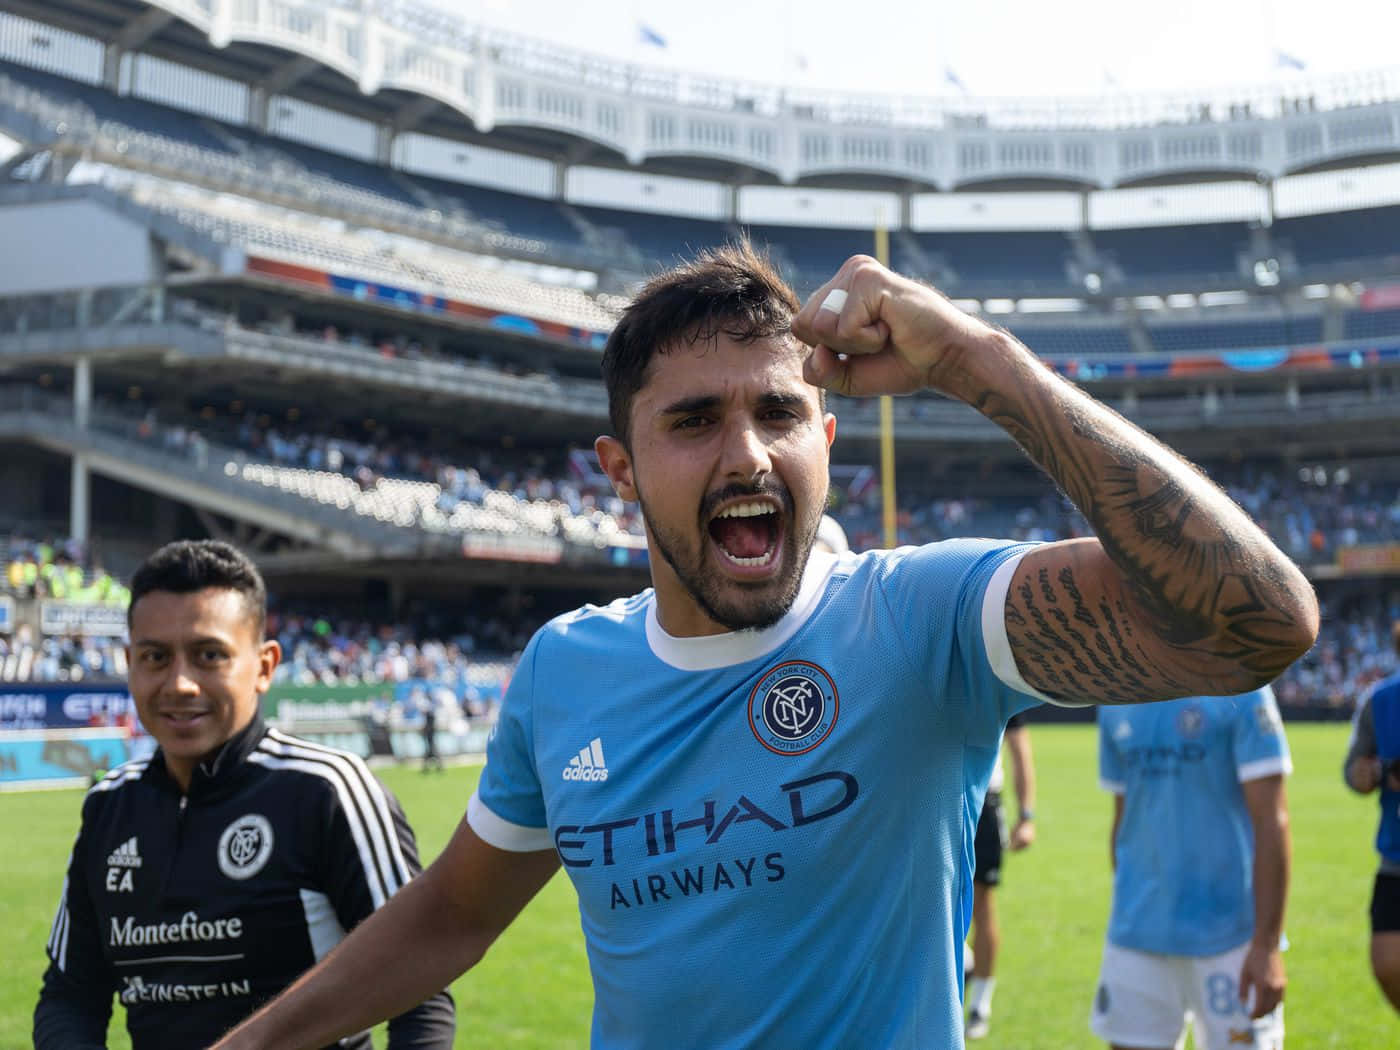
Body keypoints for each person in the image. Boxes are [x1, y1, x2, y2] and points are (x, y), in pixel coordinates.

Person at [214, 244, 1317, 1050]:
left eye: (778, 415)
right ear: (619, 470)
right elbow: (453, 913)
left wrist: (978, 362)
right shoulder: (564, 670)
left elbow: (1256, 622)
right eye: (692, 422)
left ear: (824, 440)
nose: (745, 454)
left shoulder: (918, 621)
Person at [33, 539, 455, 1050]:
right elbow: (70, 995)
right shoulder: (108, 807)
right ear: (130, 664)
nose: (180, 683)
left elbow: (420, 988)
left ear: (264, 666)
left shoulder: (327, 791)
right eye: (155, 657)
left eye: (208, 655)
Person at [1091, 686, 1292, 1050]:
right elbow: (1124, 817)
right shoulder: (1116, 694)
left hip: (1233, 939)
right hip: (1137, 934)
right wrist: (1128, 904)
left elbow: (1272, 821)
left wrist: (1266, 944)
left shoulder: (1243, 684)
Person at [965, 711, 1036, 1039]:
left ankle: (980, 1004)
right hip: (931, 799)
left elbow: (1019, 748)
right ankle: (963, 963)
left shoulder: (995, 671)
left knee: (982, 905)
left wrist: (1026, 815)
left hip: (981, 804)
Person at [1342, 619, 1400, 1013]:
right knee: (1387, 963)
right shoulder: (1380, 700)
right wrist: (1372, 774)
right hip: (1395, 856)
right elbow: (1354, 771)